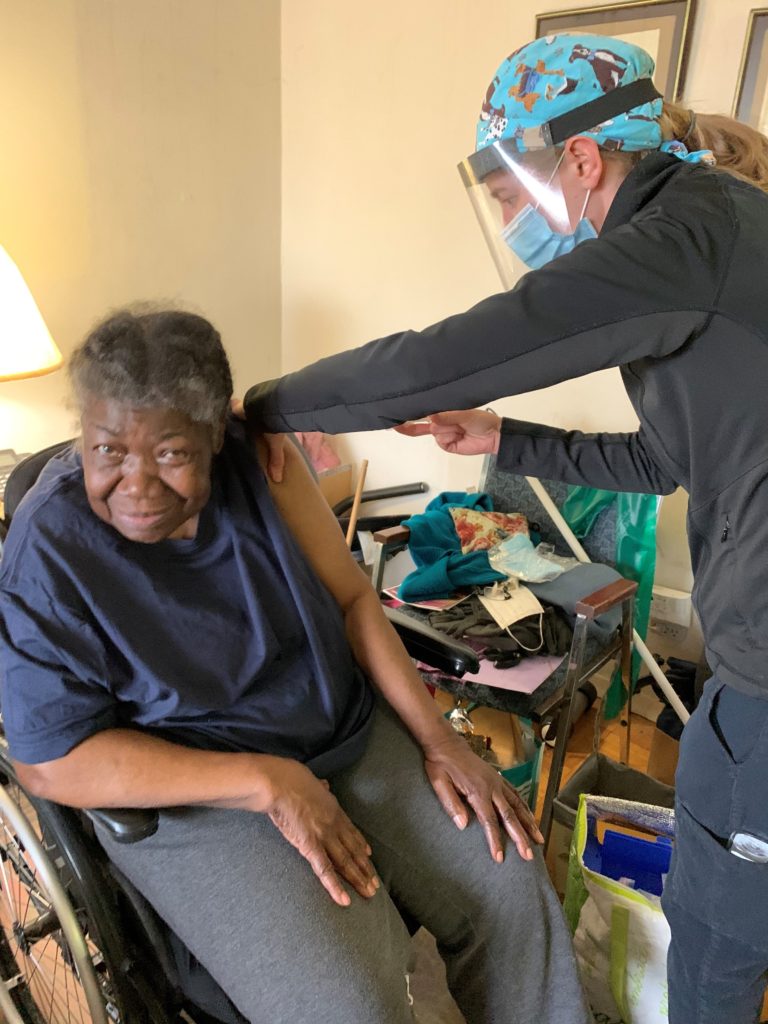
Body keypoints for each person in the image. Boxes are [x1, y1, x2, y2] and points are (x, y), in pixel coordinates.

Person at [241, 33, 768, 1024]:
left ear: (581, 158)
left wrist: (270, 404)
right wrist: (501, 435)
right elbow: (667, 462)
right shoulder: (719, 224)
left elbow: (441, 356)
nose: (513, 218)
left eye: (511, 193)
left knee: (716, 947)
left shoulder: (675, 241)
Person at [0, 308, 590, 1024]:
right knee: (351, 1003)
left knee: (514, 888)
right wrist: (263, 782)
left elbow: (350, 600)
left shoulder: (260, 460)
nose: (137, 485)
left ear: (217, 434)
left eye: (172, 455)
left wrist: (441, 741)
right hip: (199, 794)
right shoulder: (48, 551)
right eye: (108, 451)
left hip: (340, 731)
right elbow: (51, 765)